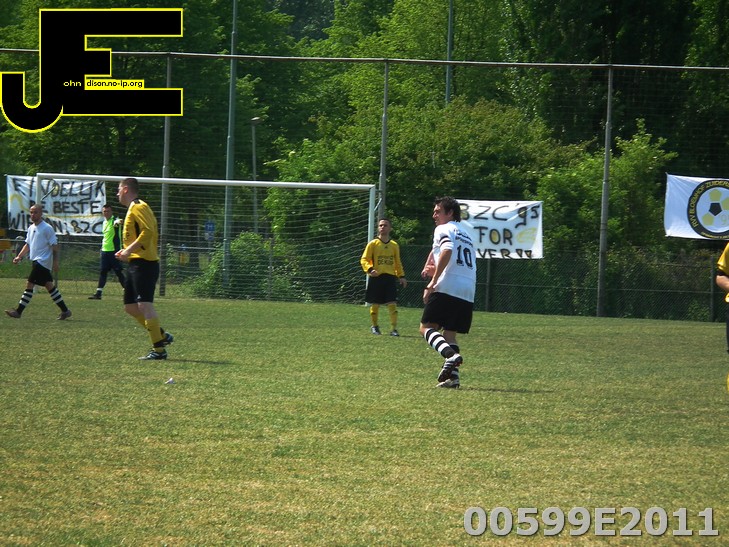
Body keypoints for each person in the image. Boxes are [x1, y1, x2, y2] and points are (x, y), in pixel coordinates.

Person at [419, 196, 477, 388]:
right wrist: (435, 268)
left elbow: (447, 250)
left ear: (450, 212)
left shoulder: (443, 229)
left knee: (426, 328)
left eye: (438, 211)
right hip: (467, 289)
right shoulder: (467, 234)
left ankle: (450, 355)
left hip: (448, 286)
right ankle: (453, 379)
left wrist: (432, 282)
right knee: (450, 335)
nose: (434, 215)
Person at [115, 177, 173, 360]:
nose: (117, 194)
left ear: (125, 189)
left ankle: (159, 350)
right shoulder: (132, 208)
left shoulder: (139, 206)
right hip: (135, 264)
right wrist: (126, 251)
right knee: (130, 307)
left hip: (145, 264)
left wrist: (128, 251)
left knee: (144, 305)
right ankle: (161, 335)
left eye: (118, 190)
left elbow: (148, 232)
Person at [4, 204, 72, 320]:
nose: (33, 215)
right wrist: (19, 256)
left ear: (41, 213)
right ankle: (65, 311)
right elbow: (28, 244)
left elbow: (55, 246)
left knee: (29, 283)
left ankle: (18, 312)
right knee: (49, 286)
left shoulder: (47, 228)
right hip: (35, 261)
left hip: (43, 262)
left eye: (35, 212)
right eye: (31, 212)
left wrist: (55, 262)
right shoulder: (31, 228)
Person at [360, 218, 407, 336]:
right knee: (375, 304)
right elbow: (364, 259)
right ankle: (375, 326)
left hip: (390, 278)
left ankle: (394, 329)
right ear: (378, 228)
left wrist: (401, 276)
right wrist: (370, 269)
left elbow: (397, 262)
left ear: (390, 228)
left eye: (385, 225)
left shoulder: (394, 245)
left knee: (392, 304)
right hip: (376, 277)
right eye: (380, 225)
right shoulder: (373, 244)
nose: (382, 227)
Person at [88, 204, 125, 299]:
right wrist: (102, 249)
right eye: (104, 211)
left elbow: (119, 222)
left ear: (111, 212)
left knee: (118, 272)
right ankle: (98, 293)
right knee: (103, 271)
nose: (106, 213)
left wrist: (119, 221)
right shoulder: (104, 222)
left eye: (108, 211)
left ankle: (127, 292)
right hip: (105, 251)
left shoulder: (114, 220)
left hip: (114, 251)